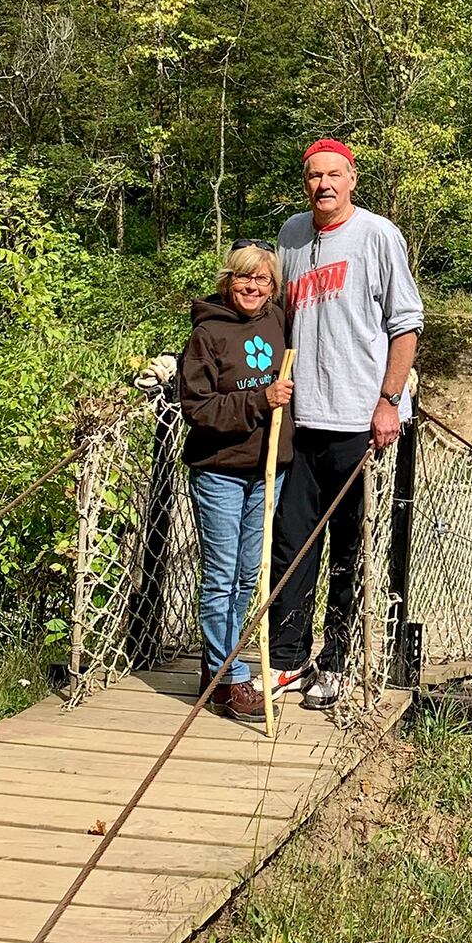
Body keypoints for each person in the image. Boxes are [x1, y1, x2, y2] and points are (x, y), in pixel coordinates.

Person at [268, 139, 424, 709]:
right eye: (314, 176)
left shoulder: (378, 236)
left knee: (349, 548)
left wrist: (389, 400)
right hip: (298, 422)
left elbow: (405, 323)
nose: (323, 185)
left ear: (352, 179)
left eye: (334, 175)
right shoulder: (290, 236)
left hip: (357, 420)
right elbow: (273, 323)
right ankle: (286, 660)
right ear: (304, 182)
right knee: (289, 544)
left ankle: (335, 662)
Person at [176, 243, 295, 720]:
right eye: (244, 279)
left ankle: (216, 667)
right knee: (222, 576)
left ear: (273, 286)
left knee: (248, 575)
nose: (252, 287)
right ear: (229, 281)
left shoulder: (279, 321)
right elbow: (196, 408)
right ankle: (231, 677)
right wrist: (259, 401)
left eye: (262, 280)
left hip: (268, 470)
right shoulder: (207, 334)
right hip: (220, 471)